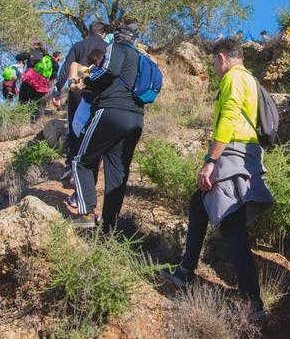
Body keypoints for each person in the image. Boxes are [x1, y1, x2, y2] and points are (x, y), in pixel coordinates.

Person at [160, 37, 274, 320]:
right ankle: (186, 270)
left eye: (213, 61)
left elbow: (229, 119)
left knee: (233, 229)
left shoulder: (233, 78)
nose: (213, 67)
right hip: (245, 155)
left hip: (232, 156)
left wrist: (210, 161)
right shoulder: (250, 79)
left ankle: (253, 305)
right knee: (198, 205)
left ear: (222, 57)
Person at [67, 24, 146, 231]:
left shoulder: (116, 48)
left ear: (117, 37)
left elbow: (109, 71)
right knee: (117, 173)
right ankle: (109, 228)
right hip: (136, 117)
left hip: (111, 112)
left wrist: (87, 81)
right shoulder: (139, 58)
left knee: (80, 160)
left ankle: (86, 217)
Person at [54, 21, 108, 180]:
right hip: (99, 93)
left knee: (74, 127)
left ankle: (71, 164)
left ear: (90, 32)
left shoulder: (78, 45)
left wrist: (58, 89)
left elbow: (66, 67)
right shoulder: (109, 48)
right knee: (95, 129)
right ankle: (88, 169)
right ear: (103, 34)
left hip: (78, 90)